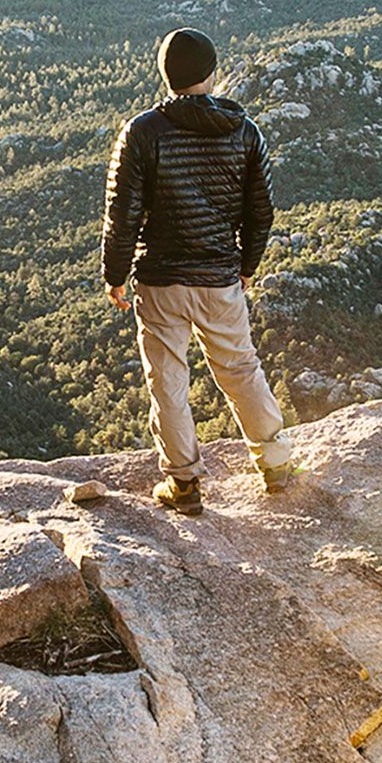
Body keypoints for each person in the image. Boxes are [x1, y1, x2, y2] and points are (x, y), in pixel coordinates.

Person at [102, 28, 300, 514]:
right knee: (241, 369)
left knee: (167, 380)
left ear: (166, 75)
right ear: (211, 74)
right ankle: (274, 464)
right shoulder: (244, 132)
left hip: (161, 279)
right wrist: (248, 264)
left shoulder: (143, 132)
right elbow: (261, 210)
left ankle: (184, 484)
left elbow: (121, 213)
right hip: (219, 277)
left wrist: (115, 273)